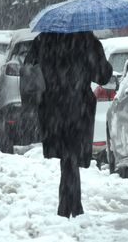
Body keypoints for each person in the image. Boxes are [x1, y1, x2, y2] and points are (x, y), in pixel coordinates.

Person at [25, 31, 113, 217]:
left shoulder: (44, 39)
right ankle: (71, 205)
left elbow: (29, 67)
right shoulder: (87, 40)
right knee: (71, 155)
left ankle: (68, 204)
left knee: (67, 156)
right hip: (79, 107)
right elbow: (103, 76)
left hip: (52, 107)